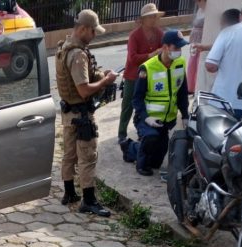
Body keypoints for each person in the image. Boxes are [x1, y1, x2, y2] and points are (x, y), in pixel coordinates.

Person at [55, 9, 119, 216]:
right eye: (93, 32)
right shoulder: (78, 54)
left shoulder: (64, 46)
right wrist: (105, 81)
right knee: (87, 157)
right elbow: (83, 89)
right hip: (81, 115)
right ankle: (89, 201)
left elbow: (81, 78)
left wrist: (100, 73)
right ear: (83, 29)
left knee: (69, 155)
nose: (94, 36)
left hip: (68, 114)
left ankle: (69, 193)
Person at [121, 30, 189, 176]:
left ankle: (130, 148)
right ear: (165, 47)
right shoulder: (147, 68)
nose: (179, 51)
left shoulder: (180, 64)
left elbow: (182, 91)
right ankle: (140, 164)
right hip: (147, 119)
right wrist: (146, 117)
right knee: (150, 141)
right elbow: (137, 98)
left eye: (180, 48)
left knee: (156, 162)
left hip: (167, 119)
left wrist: (185, 114)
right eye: (176, 48)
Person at [118, 3, 164, 143]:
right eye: (150, 17)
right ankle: (122, 134)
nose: (153, 19)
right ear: (142, 19)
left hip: (150, 76)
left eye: (154, 16)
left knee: (146, 106)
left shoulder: (159, 33)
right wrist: (151, 55)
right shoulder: (135, 35)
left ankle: (142, 131)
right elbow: (132, 58)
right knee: (128, 105)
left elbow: (163, 49)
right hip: (133, 76)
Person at [186, 0, 206, 94]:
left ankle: (197, 87)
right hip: (195, 40)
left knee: (199, 63)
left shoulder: (208, 10)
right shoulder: (199, 10)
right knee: (192, 63)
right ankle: (190, 87)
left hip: (202, 39)